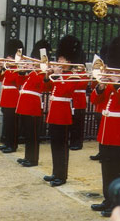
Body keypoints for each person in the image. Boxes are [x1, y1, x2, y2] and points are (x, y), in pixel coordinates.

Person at [43, 35, 83, 187]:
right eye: (58, 59)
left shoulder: (73, 76)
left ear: (70, 62)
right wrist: (48, 76)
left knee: (62, 146)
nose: (59, 62)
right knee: (54, 145)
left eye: (62, 60)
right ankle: (55, 172)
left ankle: (62, 176)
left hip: (64, 114)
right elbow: (46, 88)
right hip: (54, 113)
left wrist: (58, 75)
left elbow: (67, 90)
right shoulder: (58, 75)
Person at [90, 36, 120, 218]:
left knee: (117, 169)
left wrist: (115, 83)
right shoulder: (110, 82)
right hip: (106, 132)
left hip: (118, 132)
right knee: (106, 167)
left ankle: (116, 203)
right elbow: (95, 100)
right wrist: (101, 87)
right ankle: (107, 199)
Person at [16, 39, 51, 167]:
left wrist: (41, 70)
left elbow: (43, 87)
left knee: (33, 135)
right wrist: (22, 70)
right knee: (27, 135)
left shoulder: (41, 74)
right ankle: (27, 157)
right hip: (25, 107)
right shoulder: (32, 73)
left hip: (32, 107)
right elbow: (20, 81)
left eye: (37, 61)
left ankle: (33, 159)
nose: (33, 62)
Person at [0, 39, 23, 153]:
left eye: (9, 58)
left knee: (13, 124)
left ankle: (13, 145)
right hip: (5, 99)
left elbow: (17, 82)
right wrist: (1, 68)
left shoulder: (17, 70)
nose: (7, 59)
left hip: (12, 99)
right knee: (7, 123)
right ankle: (7, 142)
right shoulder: (7, 70)